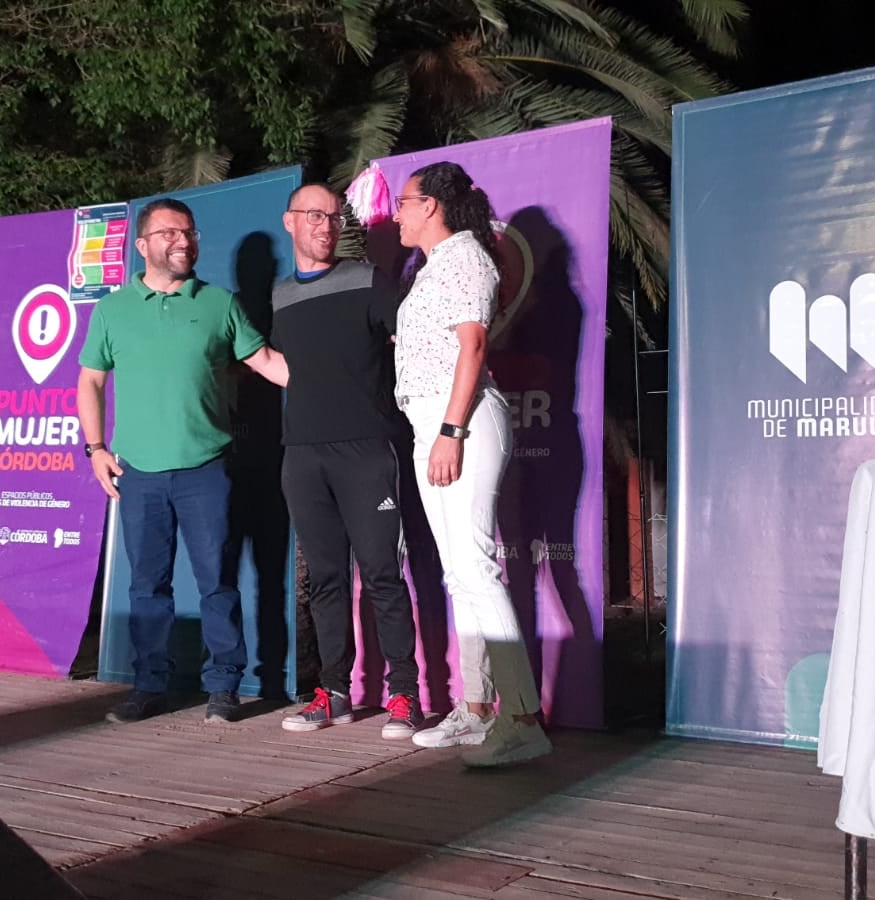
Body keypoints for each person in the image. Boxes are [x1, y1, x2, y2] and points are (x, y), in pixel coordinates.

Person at [75, 197, 289, 726]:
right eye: (170, 232)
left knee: (218, 582)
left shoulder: (218, 304)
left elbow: (265, 363)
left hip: (206, 470)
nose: (184, 241)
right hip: (139, 473)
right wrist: (96, 449)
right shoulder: (113, 309)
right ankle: (150, 686)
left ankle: (224, 688)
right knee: (147, 585)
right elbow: (91, 381)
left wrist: (339, 378)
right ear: (143, 245)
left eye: (189, 233)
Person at [389, 161, 552, 767]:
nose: (396, 213)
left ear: (431, 205)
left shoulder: (464, 258)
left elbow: (473, 345)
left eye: (405, 202)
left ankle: (523, 719)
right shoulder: (435, 267)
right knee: (460, 572)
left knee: (477, 568)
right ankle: (478, 707)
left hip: (458, 420)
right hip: (429, 421)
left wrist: (451, 429)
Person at [272, 183, 424, 740]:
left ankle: (404, 694)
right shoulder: (281, 295)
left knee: (383, 575)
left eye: (334, 216)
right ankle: (333, 691)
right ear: (290, 222)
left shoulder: (367, 281)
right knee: (326, 580)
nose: (325, 225)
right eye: (314, 215)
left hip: (366, 451)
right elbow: (286, 366)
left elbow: (408, 345)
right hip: (302, 455)